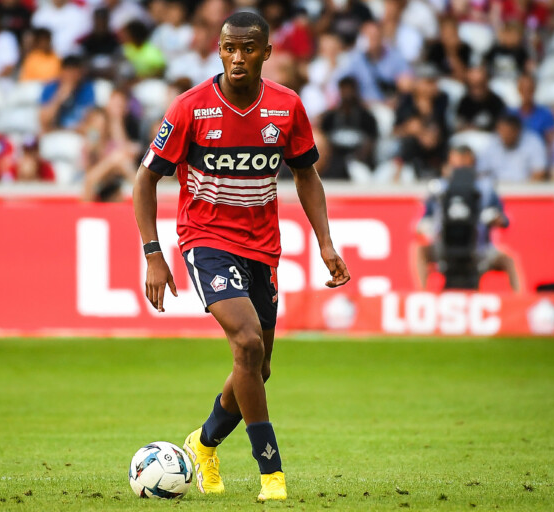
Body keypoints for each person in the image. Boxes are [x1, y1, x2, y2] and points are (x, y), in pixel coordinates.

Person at [132, 12, 350, 502]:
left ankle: (203, 443)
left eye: (248, 48)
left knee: (258, 366)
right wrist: (153, 254)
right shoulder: (190, 108)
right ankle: (271, 472)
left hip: (262, 246)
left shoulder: (286, 107)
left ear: (266, 53)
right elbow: (145, 179)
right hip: (205, 238)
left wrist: (325, 242)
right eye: (229, 47)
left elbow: (306, 175)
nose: (237, 57)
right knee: (247, 342)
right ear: (219, 50)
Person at [415, 145, 521, 291]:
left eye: (462, 161)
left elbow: (504, 220)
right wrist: (425, 227)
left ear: (471, 161)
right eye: (454, 161)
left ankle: (521, 300)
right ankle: (421, 295)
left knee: (508, 259)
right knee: (419, 251)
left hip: (479, 248)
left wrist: (496, 219)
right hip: (444, 246)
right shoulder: (439, 188)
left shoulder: (485, 188)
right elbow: (425, 218)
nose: (458, 166)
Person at [332, 21, 410, 104]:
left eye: (375, 36)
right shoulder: (353, 58)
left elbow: (407, 82)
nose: (373, 39)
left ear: (382, 36)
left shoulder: (395, 55)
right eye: (369, 36)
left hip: (391, 105)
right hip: (364, 106)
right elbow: (337, 83)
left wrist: (400, 90)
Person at [319, 75, 379, 177]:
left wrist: (357, 159)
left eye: (350, 89)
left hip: (359, 163)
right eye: (344, 89)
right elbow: (324, 142)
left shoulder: (367, 117)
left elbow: (371, 142)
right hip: (333, 164)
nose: (347, 93)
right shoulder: (330, 118)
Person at [477, 112, 546, 182]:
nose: (504, 136)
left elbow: (539, 173)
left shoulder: (533, 142)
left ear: (517, 131)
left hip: (525, 187)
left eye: (508, 132)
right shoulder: (492, 142)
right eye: (501, 131)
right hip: (495, 186)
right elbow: (481, 172)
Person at [39, 55, 96, 132]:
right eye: (68, 72)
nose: (71, 77)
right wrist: (59, 98)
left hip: (77, 134)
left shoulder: (87, 89)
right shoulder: (50, 88)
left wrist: (71, 130)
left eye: (74, 73)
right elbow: (44, 121)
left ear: (80, 74)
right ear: (61, 72)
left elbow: (89, 121)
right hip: (54, 133)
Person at [509, 73, 554, 146]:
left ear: (534, 89)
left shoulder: (546, 115)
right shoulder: (510, 115)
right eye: (523, 89)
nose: (526, 93)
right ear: (518, 90)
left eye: (529, 89)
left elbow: (551, 142)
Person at [456, 66, 507, 132]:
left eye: (480, 84)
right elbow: (459, 126)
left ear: (486, 82)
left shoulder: (497, 102)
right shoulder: (464, 102)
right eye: (472, 85)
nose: (477, 89)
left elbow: (503, 128)